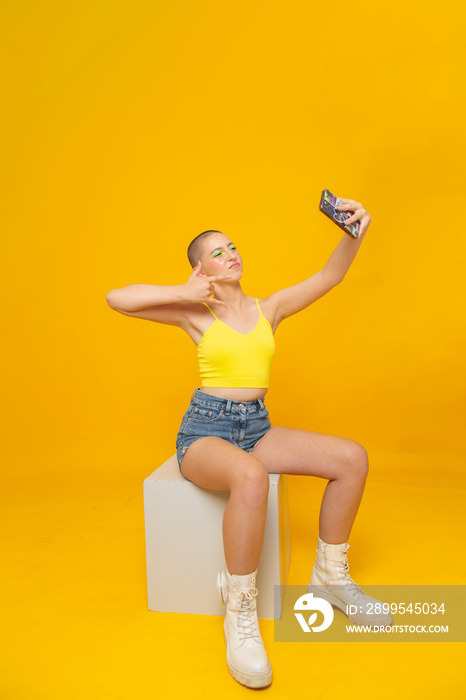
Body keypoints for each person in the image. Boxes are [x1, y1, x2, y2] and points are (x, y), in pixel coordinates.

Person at [106, 198, 392, 689]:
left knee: (352, 458)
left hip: (255, 427)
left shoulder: (269, 308)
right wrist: (183, 289)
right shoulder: (193, 314)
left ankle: (330, 577)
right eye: (218, 252)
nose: (231, 253)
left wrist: (355, 230)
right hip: (205, 432)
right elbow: (117, 298)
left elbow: (330, 277)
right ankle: (238, 611)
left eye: (233, 246)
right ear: (203, 267)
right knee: (250, 476)